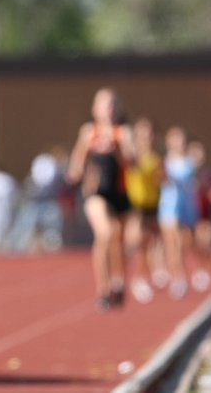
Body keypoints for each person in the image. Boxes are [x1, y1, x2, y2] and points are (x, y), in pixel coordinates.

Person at [67, 87, 135, 312]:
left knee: (120, 241)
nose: (110, 109)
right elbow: (76, 162)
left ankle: (118, 282)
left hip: (120, 192)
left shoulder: (124, 133)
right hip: (96, 192)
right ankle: (103, 289)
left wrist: (116, 148)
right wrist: (76, 171)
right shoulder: (88, 132)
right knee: (105, 233)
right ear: (95, 109)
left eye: (114, 104)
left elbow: (132, 162)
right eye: (105, 104)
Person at [123, 117, 163, 304]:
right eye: (142, 132)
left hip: (152, 204)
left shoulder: (156, 156)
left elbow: (162, 178)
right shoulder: (131, 154)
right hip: (134, 204)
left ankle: (144, 275)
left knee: (149, 243)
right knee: (137, 242)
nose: (146, 136)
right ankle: (134, 278)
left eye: (148, 132)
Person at [157, 126, 199, 300]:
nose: (178, 143)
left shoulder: (190, 161)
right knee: (172, 242)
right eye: (174, 139)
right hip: (169, 205)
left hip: (186, 206)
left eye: (180, 139)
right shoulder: (164, 162)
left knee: (186, 242)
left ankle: (190, 269)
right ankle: (177, 276)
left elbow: (193, 182)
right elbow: (160, 181)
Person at [188, 139, 211, 292]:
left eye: (199, 152)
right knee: (194, 244)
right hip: (191, 215)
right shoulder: (186, 173)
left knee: (205, 242)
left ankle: (205, 270)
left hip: (206, 214)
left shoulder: (209, 173)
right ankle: (198, 267)